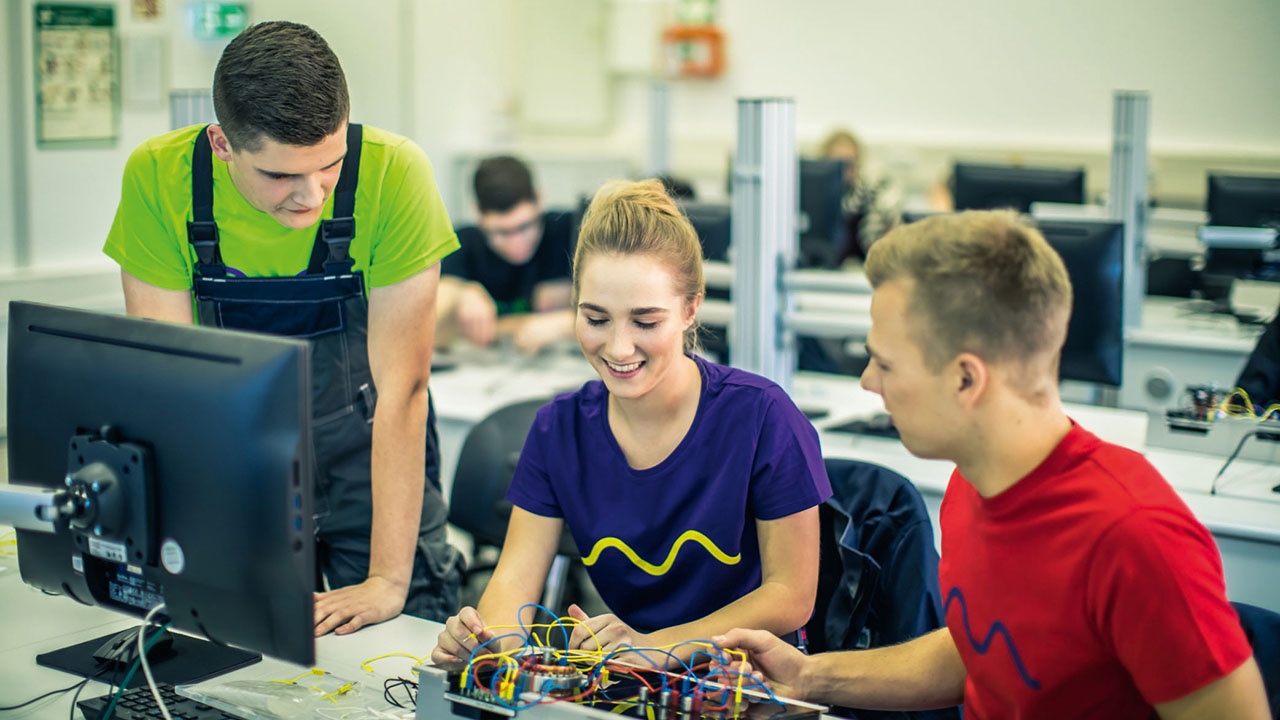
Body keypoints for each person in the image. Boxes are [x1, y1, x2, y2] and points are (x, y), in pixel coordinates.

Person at [717, 211, 1269, 719]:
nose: (868, 382)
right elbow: (978, 651)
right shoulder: (974, 484)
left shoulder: (1133, 536)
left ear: (966, 379)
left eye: (885, 363)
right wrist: (809, 677)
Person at [102, 21, 463, 635]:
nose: (311, 195)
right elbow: (175, 389)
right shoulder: (160, 178)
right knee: (243, 658)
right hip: (240, 471)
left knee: (402, 652)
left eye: (330, 165)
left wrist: (386, 579)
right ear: (222, 144)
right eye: (280, 176)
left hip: (373, 468)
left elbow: (403, 390)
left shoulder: (394, 173)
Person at [430, 179, 831, 666]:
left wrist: (659, 646)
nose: (619, 348)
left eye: (645, 322)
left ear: (691, 308)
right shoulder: (558, 430)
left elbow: (791, 595)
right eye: (596, 319)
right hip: (631, 675)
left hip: (748, 678)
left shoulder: (763, 416)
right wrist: (482, 642)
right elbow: (514, 582)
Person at [436, 156, 577, 354]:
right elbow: (429, 326)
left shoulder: (571, 231)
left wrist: (564, 323)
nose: (516, 243)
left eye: (525, 226)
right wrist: (459, 292)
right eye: (502, 232)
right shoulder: (463, 244)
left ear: (539, 200)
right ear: (477, 214)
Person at [819, 128, 901, 262]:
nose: (845, 171)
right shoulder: (816, 201)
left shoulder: (873, 194)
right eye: (838, 164)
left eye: (850, 164)